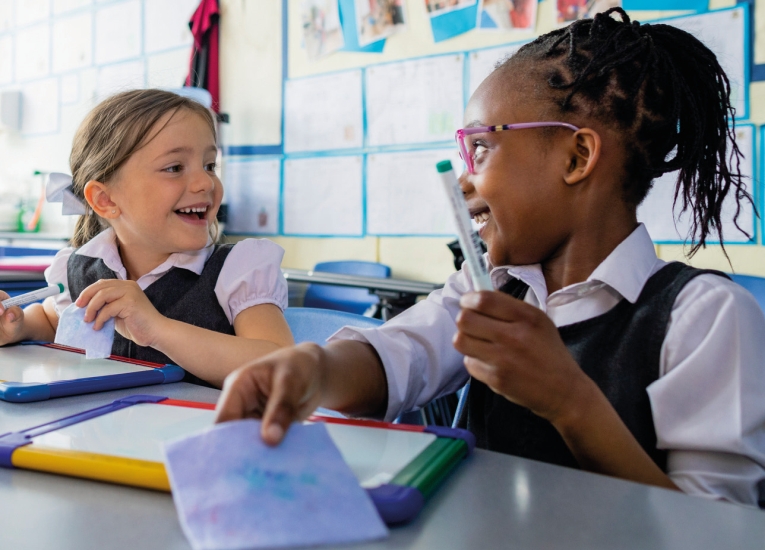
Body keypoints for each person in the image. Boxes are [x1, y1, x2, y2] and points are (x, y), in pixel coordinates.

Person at [216, 9, 765, 505]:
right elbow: (398, 358)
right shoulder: (489, 289)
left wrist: (570, 402)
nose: (464, 177)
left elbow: (720, 529)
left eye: (481, 147)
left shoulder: (704, 318)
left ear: (577, 156)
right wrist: (314, 369)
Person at [0, 89, 293, 387]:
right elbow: (52, 320)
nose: (206, 182)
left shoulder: (239, 270)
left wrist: (157, 329)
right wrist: (18, 326)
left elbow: (284, 368)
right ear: (104, 199)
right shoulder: (78, 269)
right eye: (175, 168)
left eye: (209, 165)